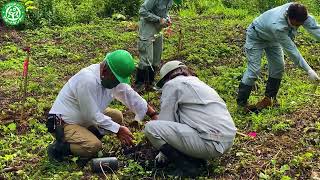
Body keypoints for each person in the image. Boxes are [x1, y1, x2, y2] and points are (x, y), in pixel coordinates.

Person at [46, 50, 158, 162]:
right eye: (116, 80)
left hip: (83, 118)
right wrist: (118, 130)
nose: (117, 84)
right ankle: (59, 148)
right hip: (63, 122)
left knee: (116, 116)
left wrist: (153, 114)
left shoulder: (109, 77)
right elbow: (92, 115)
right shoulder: (87, 80)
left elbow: (130, 95)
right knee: (94, 146)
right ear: (105, 69)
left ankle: (86, 135)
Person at [144, 61, 237, 177]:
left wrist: (163, 153)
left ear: (166, 78)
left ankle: (188, 166)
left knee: (151, 128)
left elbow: (166, 120)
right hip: (227, 139)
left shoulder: (172, 85)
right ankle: (197, 157)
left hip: (209, 142)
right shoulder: (198, 83)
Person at [237, 2, 320, 112]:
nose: (297, 27)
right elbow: (292, 50)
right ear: (289, 17)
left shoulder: (300, 13)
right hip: (256, 36)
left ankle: (270, 99)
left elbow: (316, 30)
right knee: (254, 70)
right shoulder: (278, 26)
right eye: (296, 25)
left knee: (278, 67)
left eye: (300, 25)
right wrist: (308, 70)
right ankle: (242, 103)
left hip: (273, 39)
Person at [134, 0, 182, 91]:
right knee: (146, 58)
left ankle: (150, 83)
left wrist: (167, 18)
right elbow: (142, 11)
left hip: (158, 30)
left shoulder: (170, 1)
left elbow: (165, 12)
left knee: (156, 58)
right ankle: (139, 84)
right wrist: (158, 19)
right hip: (147, 29)